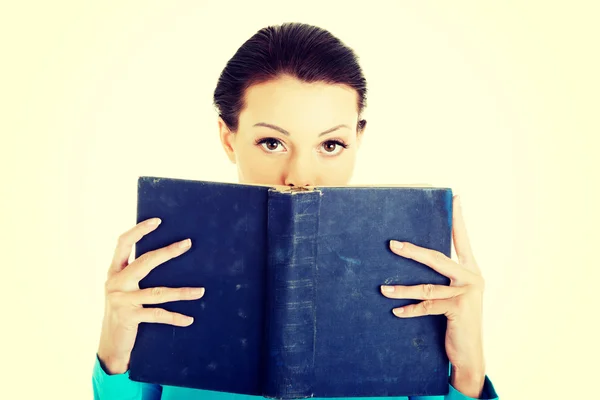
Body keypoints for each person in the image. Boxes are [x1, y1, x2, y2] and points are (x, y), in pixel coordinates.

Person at [92, 22, 499, 400]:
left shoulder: (413, 266)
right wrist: (114, 350)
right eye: (272, 142)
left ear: (358, 139)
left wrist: (467, 371)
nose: (300, 175)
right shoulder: (167, 265)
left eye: (330, 145)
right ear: (228, 138)